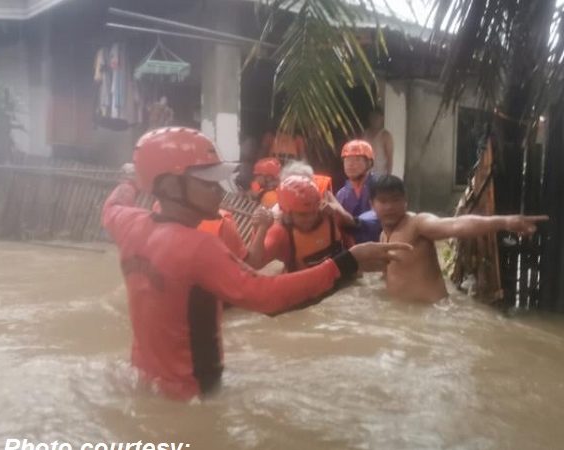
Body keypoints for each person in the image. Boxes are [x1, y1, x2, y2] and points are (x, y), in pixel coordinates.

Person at [101, 127, 410, 400]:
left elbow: (112, 205)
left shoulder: (128, 223)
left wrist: (133, 181)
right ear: (169, 187)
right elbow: (267, 297)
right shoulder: (199, 248)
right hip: (195, 393)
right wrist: (349, 263)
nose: (220, 191)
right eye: (208, 183)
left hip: (144, 381)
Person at [370, 175, 548, 303]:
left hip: (430, 316)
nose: (389, 206)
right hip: (403, 318)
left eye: (395, 200)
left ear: (405, 201)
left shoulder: (417, 224)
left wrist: (504, 222)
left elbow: (455, 225)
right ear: (372, 205)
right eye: (383, 201)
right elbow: (387, 277)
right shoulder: (382, 236)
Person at [252, 175, 354, 273]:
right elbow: (255, 263)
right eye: (302, 215)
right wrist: (261, 229)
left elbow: (353, 227)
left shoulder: (330, 215)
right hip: (311, 288)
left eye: (314, 211)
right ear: (287, 213)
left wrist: (338, 211)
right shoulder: (280, 232)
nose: (311, 218)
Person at [336, 140, 381, 243]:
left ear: (369, 163)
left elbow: (382, 217)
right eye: (347, 160)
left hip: (377, 245)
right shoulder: (341, 194)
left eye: (357, 160)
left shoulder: (380, 187)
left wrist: (354, 222)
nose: (350, 164)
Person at [363, 108, 394, 177]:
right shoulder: (365, 134)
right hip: (366, 175)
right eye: (373, 117)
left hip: (380, 175)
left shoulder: (385, 135)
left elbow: (390, 159)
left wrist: (388, 178)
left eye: (377, 117)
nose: (375, 120)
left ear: (382, 118)